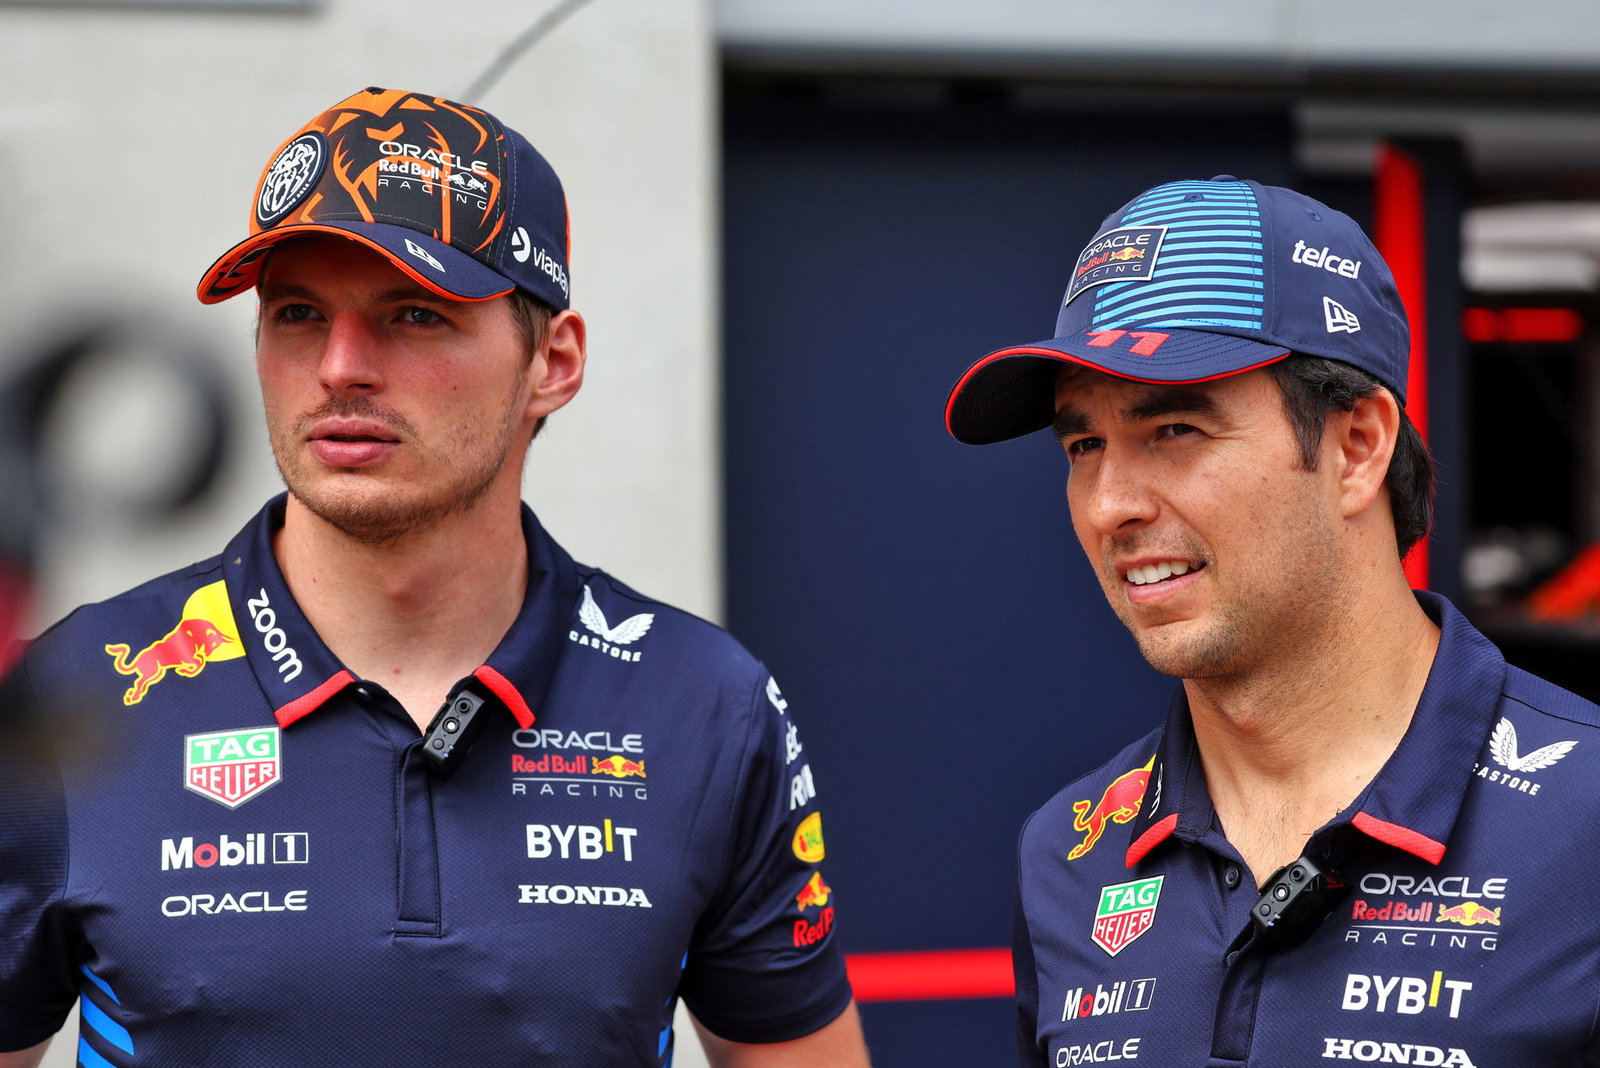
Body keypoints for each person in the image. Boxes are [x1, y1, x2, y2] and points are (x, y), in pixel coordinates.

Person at [0, 87, 868, 1068]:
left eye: (414, 314)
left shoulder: (706, 703)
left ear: (553, 362)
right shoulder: (69, 697)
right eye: (297, 313)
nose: (340, 366)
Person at [945, 176, 1600, 1065]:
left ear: (1357, 448)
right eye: (1084, 445)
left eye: (1175, 429)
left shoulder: (1582, 819)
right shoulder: (1067, 851)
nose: (1108, 505)